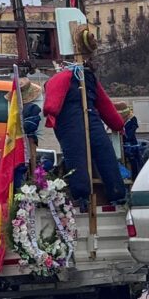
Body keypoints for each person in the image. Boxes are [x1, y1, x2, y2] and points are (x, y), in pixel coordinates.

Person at [43, 25, 126, 207]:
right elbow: (52, 103)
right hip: (73, 120)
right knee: (80, 154)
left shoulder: (83, 77)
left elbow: (103, 103)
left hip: (84, 118)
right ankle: (88, 195)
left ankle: (111, 193)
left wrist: (117, 123)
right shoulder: (71, 77)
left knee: (100, 152)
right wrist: (118, 124)